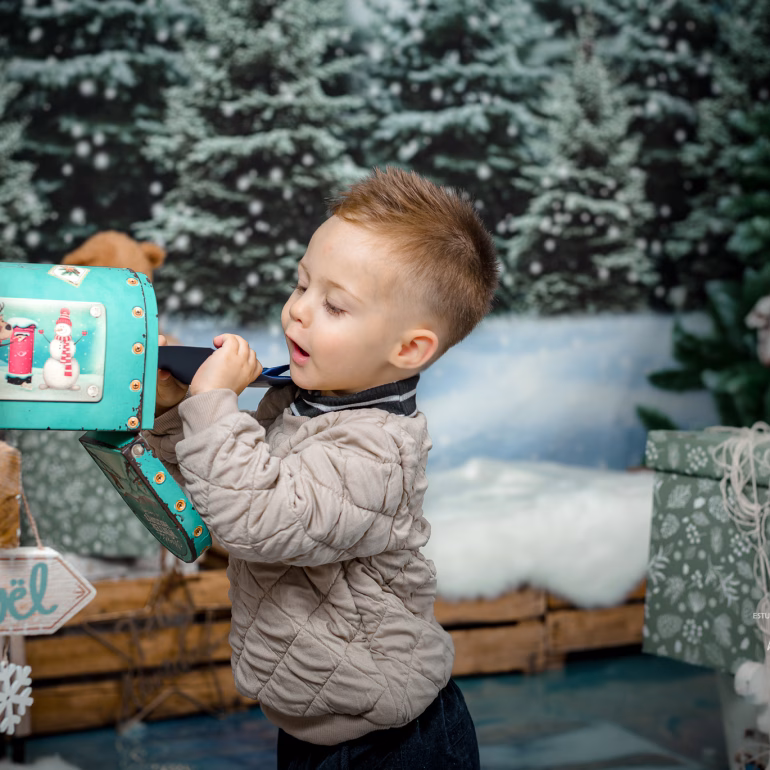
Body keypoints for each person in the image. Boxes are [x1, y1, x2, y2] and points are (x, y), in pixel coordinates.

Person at [144, 166, 500, 769]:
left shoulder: (377, 451)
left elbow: (253, 517)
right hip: (314, 719)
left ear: (408, 349)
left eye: (334, 304)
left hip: (394, 743)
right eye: (301, 284)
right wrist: (178, 413)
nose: (297, 313)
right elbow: (221, 480)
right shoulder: (301, 401)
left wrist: (215, 403)